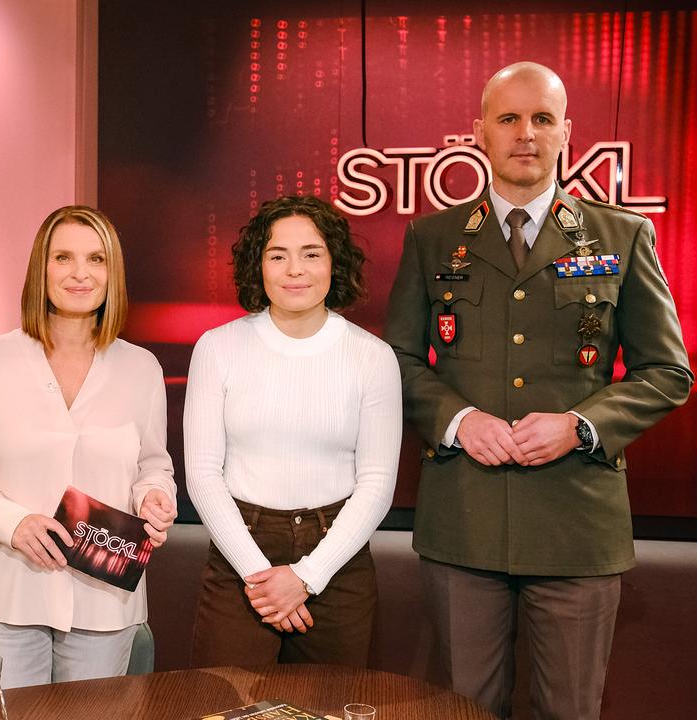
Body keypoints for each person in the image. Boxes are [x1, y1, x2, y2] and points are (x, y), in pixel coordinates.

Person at [384, 61, 692, 720]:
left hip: (576, 526)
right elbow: (399, 360)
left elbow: (668, 372)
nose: (526, 133)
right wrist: (458, 418)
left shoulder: (621, 236)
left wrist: (580, 426)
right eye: (510, 118)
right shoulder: (432, 237)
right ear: (480, 133)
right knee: (463, 710)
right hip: (464, 520)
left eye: (542, 119)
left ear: (566, 133)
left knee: (570, 711)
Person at [0, 205, 177, 689]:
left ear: (114, 273)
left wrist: (154, 498)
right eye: (63, 257)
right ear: (40, 269)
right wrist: (13, 522)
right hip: (10, 589)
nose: (80, 273)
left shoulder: (141, 367)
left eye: (96, 259)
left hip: (105, 596)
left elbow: (153, 466)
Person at [185, 195, 401, 669]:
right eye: (277, 255)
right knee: (227, 706)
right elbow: (202, 474)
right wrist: (262, 579)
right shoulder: (218, 348)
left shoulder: (373, 356)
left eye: (311, 253)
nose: (294, 270)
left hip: (337, 559)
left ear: (334, 262)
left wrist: (306, 577)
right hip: (240, 551)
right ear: (257, 267)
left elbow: (378, 484)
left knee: (333, 705)